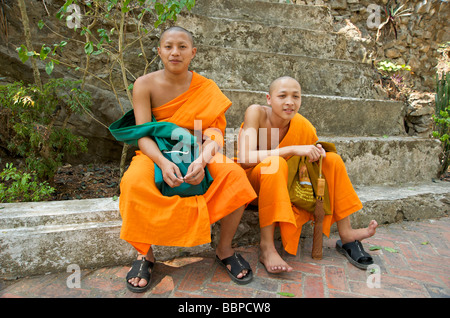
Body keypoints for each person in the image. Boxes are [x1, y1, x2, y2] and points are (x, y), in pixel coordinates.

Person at [118, 26, 257, 292]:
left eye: (182, 47)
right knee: (133, 183)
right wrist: (162, 162)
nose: (175, 52)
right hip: (156, 150)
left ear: (193, 52)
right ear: (159, 51)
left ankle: (225, 249)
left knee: (236, 177)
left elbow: (215, 133)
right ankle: (144, 254)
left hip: (197, 149)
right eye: (168, 46)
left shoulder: (206, 87)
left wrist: (203, 160)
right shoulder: (144, 85)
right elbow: (142, 134)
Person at [238, 76, 378, 274]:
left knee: (332, 160)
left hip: (285, 183)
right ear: (269, 99)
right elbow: (245, 158)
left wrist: (314, 153)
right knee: (274, 164)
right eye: (282, 96)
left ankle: (346, 234)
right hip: (254, 184)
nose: (290, 102)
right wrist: (293, 149)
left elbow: (305, 161)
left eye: (296, 96)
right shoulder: (256, 113)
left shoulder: (302, 125)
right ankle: (267, 247)